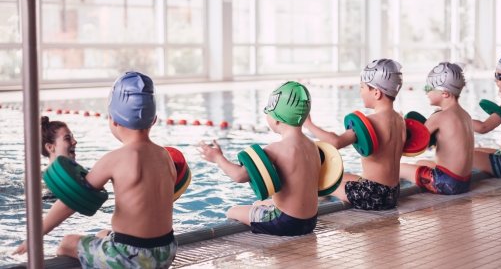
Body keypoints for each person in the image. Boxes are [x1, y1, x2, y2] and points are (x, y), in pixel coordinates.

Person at [14, 71, 178, 268]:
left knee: (68, 243)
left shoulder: (115, 159)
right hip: (166, 251)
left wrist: (34, 236)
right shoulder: (164, 156)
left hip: (131, 257)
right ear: (153, 120)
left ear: (113, 120)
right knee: (102, 234)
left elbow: (70, 202)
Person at [199, 81, 320, 236]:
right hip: (310, 221)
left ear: (277, 119)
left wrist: (218, 158)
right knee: (259, 203)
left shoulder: (275, 149)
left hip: (286, 223)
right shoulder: (312, 146)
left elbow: (239, 175)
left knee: (233, 211)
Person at [303, 59, 406, 210]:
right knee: (342, 176)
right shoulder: (400, 120)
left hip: (373, 195)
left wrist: (309, 124)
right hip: (392, 193)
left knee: (320, 180)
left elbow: (336, 142)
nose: (360, 92)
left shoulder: (372, 122)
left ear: (376, 92)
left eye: (362, 87)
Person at [399, 62, 474, 194]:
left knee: (398, 168)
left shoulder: (439, 116)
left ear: (445, 93)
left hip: (446, 182)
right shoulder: (466, 115)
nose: (426, 91)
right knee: (422, 162)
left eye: (429, 88)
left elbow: (414, 144)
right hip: (464, 182)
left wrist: (399, 124)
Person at [40, 116, 77, 199]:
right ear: (50, 147)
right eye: (67, 138)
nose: (74, 141)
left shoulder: (75, 174)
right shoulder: (45, 184)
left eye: (72, 137)